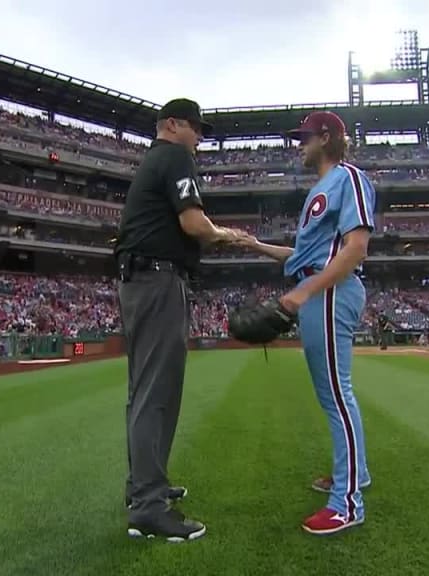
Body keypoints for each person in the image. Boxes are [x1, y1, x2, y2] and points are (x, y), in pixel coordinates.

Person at [113, 97, 247, 543]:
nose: (200, 138)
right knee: (157, 392)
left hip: (140, 280)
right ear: (172, 124)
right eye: (196, 128)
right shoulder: (174, 155)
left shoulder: (155, 158)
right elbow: (193, 223)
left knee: (144, 391)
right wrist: (226, 235)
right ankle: (150, 506)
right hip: (156, 280)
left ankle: (143, 487)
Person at [235, 111, 374, 535]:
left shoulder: (348, 177)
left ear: (327, 137)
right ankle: (356, 473)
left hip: (330, 290)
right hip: (319, 288)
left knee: (336, 394)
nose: (299, 144)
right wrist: (256, 245)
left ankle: (347, 503)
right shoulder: (321, 187)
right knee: (333, 392)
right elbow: (302, 256)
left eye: (305, 137)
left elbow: (356, 249)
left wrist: (305, 291)